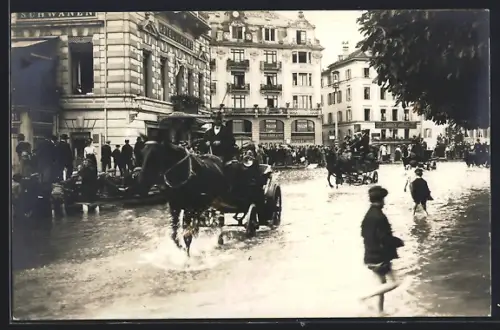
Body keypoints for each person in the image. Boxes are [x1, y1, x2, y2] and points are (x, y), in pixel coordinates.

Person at [360, 186, 404, 315]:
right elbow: (384, 238)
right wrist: (398, 242)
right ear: (381, 199)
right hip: (379, 257)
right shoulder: (380, 216)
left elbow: (365, 234)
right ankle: (365, 297)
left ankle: (380, 312)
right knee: (395, 283)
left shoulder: (368, 215)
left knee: (382, 285)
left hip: (369, 255)